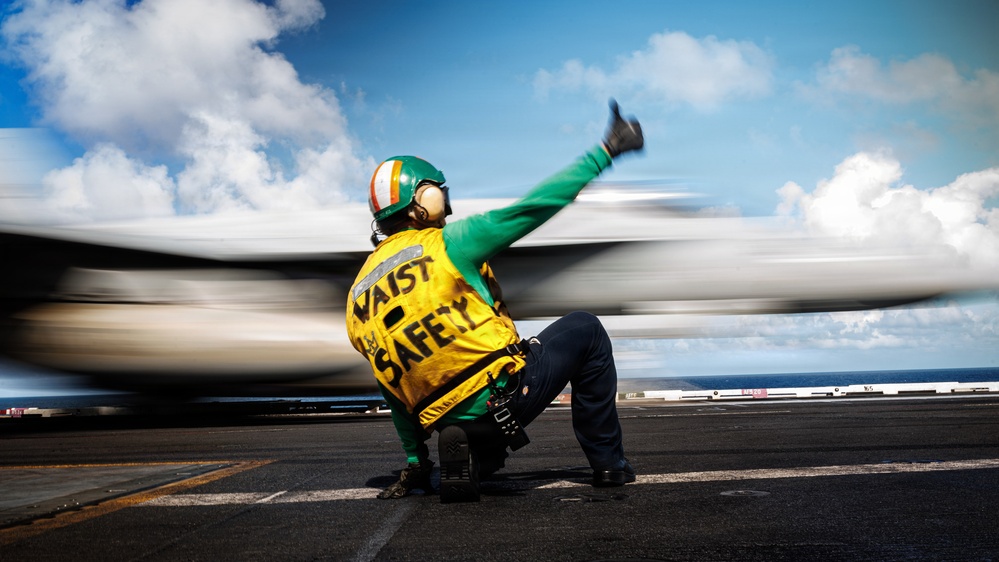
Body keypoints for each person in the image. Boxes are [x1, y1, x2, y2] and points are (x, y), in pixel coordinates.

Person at [346, 100, 644, 503]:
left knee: (449, 402)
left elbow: (393, 389)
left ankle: (471, 452)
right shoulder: (448, 243)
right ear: (425, 200)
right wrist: (605, 151)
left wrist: (415, 462)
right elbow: (534, 207)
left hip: (446, 418)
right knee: (586, 328)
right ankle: (609, 464)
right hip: (504, 399)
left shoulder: (357, 298)